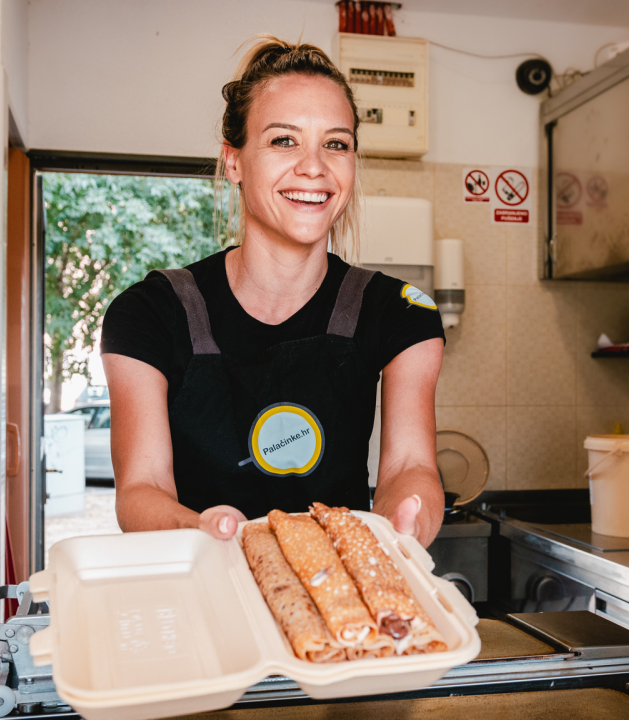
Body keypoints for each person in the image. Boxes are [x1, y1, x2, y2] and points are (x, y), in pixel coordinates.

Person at [100, 36, 446, 546]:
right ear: (234, 162)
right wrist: (202, 529)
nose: (314, 166)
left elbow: (409, 466)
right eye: (284, 140)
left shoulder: (399, 314)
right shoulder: (149, 314)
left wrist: (402, 528)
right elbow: (142, 488)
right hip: (199, 593)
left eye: (336, 143)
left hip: (337, 600)